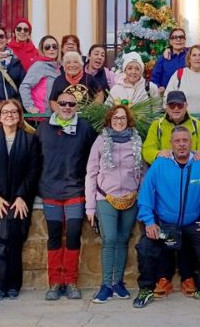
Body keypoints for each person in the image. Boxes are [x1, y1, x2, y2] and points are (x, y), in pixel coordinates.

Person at [133, 126, 200, 308]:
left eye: (185, 140)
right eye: (177, 141)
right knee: (145, 247)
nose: (181, 144)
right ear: (171, 144)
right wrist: (149, 221)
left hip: (193, 221)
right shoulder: (160, 164)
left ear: (191, 142)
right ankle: (146, 289)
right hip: (164, 222)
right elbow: (146, 194)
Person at [141, 91, 200, 298]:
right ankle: (164, 277)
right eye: (172, 105)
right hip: (165, 189)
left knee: (187, 235)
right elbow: (147, 150)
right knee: (166, 236)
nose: (176, 108)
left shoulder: (197, 125)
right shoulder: (157, 125)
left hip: (190, 185)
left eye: (180, 105)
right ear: (166, 107)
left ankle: (188, 277)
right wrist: (158, 154)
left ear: (186, 105)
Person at [35, 92, 98, 300]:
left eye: (71, 104)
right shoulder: (43, 128)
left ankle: (70, 281)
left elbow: (94, 158)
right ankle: (54, 283)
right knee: (54, 237)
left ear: (76, 106)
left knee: (72, 236)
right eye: (63, 103)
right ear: (55, 105)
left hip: (75, 191)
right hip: (50, 191)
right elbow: (34, 159)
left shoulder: (85, 128)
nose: (67, 107)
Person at [0, 99, 42, 300]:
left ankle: (14, 285)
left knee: (15, 242)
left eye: (14, 112)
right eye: (5, 112)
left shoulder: (30, 140)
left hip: (19, 199)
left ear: (20, 116)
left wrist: (22, 196)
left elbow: (33, 171)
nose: (10, 115)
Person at [85, 105, 145, 303]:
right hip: (106, 197)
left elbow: (143, 172)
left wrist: (142, 199)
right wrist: (90, 206)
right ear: (110, 120)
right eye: (116, 118)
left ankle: (118, 283)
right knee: (109, 239)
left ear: (128, 120)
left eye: (123, 118)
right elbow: (91, 173)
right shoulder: (101, 141)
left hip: (130, 198)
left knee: (122, 239)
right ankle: (105, 286)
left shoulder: (136, 141)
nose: (119, 121)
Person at [165, 44, 200, 114]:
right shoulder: (179, 74)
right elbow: (167, 97)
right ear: (189, 59)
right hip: (184, 119)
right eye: (194, 55)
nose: (197, 58)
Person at [19, 35, 61, 114]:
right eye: (47, 47)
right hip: (41, 115)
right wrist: (30, 107)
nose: (51, 49)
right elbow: (24, 86)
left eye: (54, 46)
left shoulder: (58, 67)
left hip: (54, 114)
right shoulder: (40, 65)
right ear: (42, 50)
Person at [150, 27, 188, 95]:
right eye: (174, 37)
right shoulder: (162, 59)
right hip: (168, 96)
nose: (178, 39)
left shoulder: (191, 55)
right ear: (170, 41)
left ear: (185, 40)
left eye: (181, 37)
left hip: (188, 95)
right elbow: (155, 79)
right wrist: (158, 88)